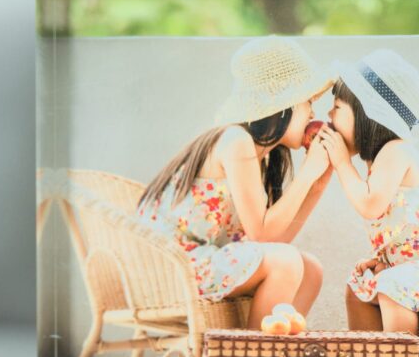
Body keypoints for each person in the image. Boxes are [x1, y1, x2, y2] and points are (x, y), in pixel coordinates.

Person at [138, 37, 333, 327]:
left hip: (206, 261)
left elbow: (276, 240)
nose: (313, 113)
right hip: (173, 267)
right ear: (284, 105)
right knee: (286, 261)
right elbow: (261, 236)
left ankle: (278, 348)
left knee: (310, 270)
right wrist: (306, 175)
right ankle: (253, 354)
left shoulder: (264, 155)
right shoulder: (236, 141)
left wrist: (317, 185)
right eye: (308, 102)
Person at [316, 49, 419, 335]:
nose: (328, 115)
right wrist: (386, 260)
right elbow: (399, 229)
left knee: (391, 286)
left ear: (367, 114)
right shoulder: (378, 160)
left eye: (337, 107)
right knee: (358, 288)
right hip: (414, 267)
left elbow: (370, 205)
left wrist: (342, 164)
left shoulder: (397, 150)